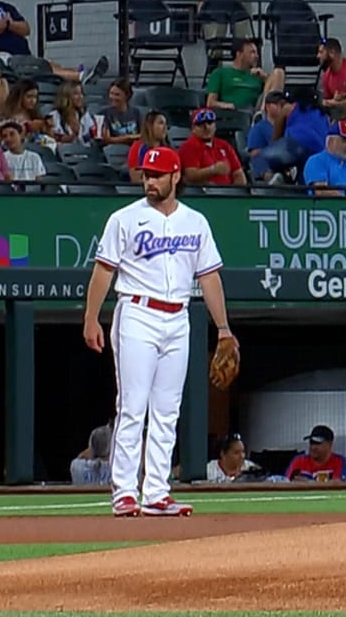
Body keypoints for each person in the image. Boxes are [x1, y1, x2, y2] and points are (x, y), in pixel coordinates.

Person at [82, 145, 236, 517]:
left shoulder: (195, 222)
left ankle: (156, 492)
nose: (149, 181)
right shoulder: (124, 219)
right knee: (133, 406)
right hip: (137, 313)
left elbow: (209, 277)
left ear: (175, 176)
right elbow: (103, 270)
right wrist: (91, 317)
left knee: (167, 410)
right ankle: (124, 491)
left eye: (157, 175)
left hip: (179, 316)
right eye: (146, 175)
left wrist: (223, 328)